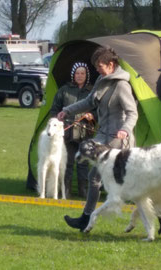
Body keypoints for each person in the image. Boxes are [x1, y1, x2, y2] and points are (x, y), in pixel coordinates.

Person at [57, 46, 138, 231]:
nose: (97, 70)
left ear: (111, 65)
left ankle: (86, 218)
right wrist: (67, 110)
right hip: (103, 136)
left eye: (100, 66)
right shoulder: (102, 80)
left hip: (118, 140)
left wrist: (125, 130)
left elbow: (132, 113)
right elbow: (88, 102)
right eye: (96, 67)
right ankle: (86, 218)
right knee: (104, 178)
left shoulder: (122, 85)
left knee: (122, 180)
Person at [50, 62, 95, 198]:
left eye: (82, 73)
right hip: (66, 133)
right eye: (77, 73)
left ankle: (83, 191)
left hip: (85, 132)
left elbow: (99, 111)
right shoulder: (64, 90)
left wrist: (92, 116)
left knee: (83, 162)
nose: (80, 76)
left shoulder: (92, 91)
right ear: (73, 75)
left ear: (86, 75)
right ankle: (66, 191)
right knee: (67, 162)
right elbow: (54, 110)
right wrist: (58, 120)